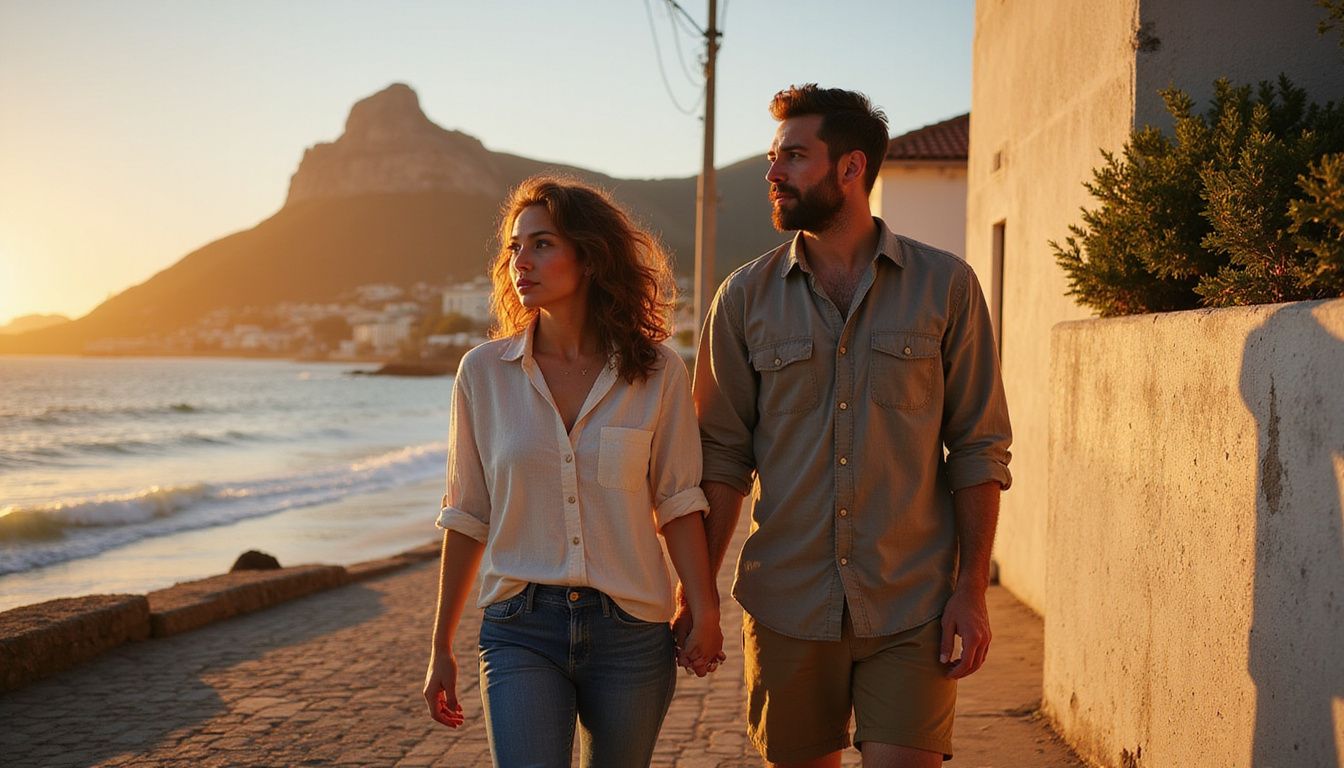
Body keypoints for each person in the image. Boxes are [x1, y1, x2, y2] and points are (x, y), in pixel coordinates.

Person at [684, 85, 1013, 767]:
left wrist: (971, 591)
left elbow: (979, 447)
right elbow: (720, 458)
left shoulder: (946, 285)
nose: (773, 173)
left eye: (794, 156)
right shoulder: (742, 298)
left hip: (912, 605)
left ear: (851, 168)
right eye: (774, 157)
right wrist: (700, 597)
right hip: (787, 606)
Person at [422, 175, 723, 768]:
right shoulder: (482, 374)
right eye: (514, 247)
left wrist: (706, 609)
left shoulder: (657, 372)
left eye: (542, 244)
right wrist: (440, 646)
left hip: (631, 631)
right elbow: (467, 513)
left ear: (589, 257)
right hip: (519, 627)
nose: (520, 262)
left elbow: (679, 502)